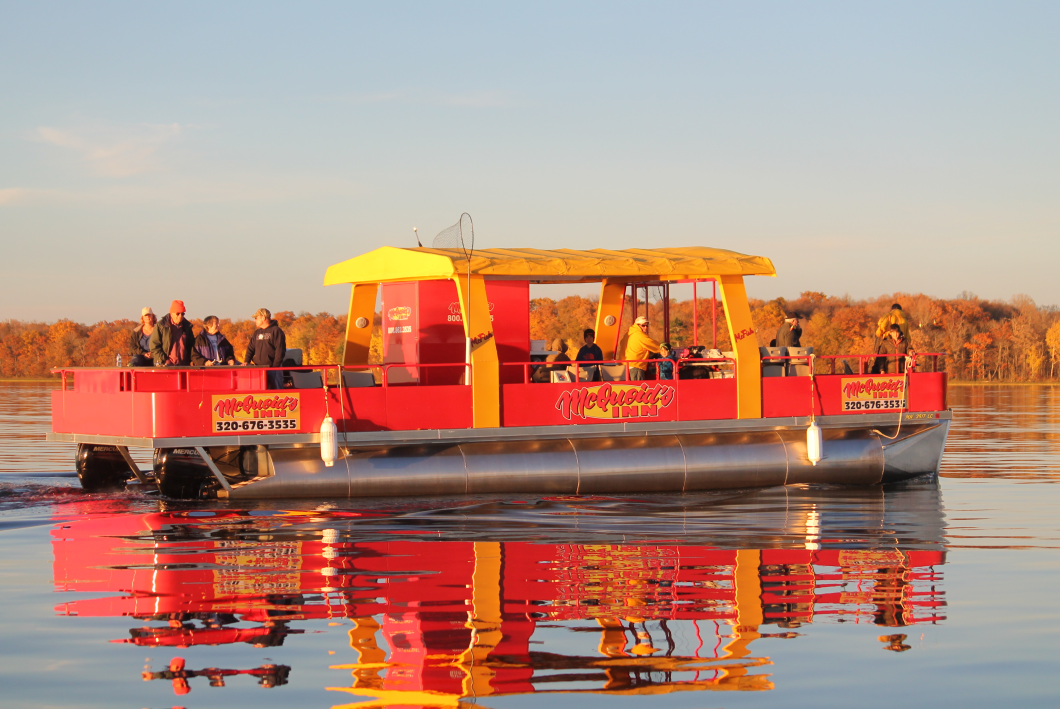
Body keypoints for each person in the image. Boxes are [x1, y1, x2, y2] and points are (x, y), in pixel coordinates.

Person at [244, 308, 287, 389]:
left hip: (273, 369)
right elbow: (250, 348)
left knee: (277, 392)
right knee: (260, 393)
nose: (254, 320)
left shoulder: (276, 331)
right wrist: (246, 361)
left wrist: (275, 367)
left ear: (263, 318)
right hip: (258, 369)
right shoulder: (257, 333)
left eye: (256, 318)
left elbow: (280, 350)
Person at [150, 300, 195, 367]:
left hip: (183, 365)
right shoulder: (161, 326)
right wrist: (164, 360)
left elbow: (192, 346)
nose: (180, 316)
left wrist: (191, 360)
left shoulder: (187, 326)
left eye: (182, 314)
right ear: (171, 313)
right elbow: (154, 346)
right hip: (165, 366)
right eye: (178, 313)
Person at [624, 316, 661, 381]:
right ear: (637, 325)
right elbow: (654, 345)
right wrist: (665, 348)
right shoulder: (640, 335)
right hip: (636, 366)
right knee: (638, 386)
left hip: (627, 365)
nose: (646, 327)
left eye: (647, 325)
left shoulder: (629, 333)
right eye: (643, 325)